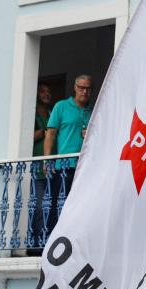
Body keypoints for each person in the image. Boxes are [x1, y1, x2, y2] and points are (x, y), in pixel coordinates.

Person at [42, 74, 93, 236]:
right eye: (81, 88)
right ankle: (53, 239)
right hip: (65, 166)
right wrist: (47, 160)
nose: (84, 92)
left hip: (86, 168)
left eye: (88, 89)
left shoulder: (93, 110)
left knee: (83, 206)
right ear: (75, 88)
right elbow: (50, 134)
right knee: (60, 205)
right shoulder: (61, 106)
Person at [29, 83, 53, 253]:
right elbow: (27, 136)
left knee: (51, 207)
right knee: (38, 207)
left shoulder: (52, 113)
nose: (46, 94)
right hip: (37, 169)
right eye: (42, 91)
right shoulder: (32, 113)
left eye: (48, 91)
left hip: (51, 169)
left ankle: (49, 242)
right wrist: (43, 132)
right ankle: (36, 244)